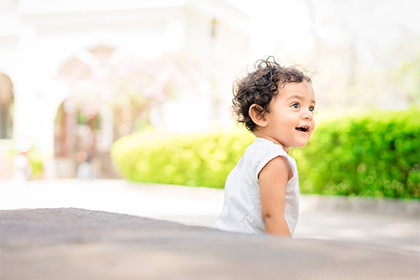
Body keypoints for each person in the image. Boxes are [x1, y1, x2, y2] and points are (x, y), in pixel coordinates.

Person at [214, 57, 316, 237]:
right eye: (295, 105)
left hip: (228, 241)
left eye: (311, 108)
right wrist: (284, 256)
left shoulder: (255, 153)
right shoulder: (274, 159)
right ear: (260, 115)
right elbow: (272, 217)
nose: (307, 114)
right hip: (250, 250)